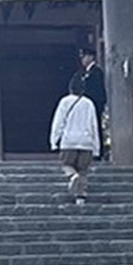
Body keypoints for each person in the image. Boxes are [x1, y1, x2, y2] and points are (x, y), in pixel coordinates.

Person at [50, 73, 100, 203]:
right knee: (84, 170)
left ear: (70, 88)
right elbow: (94, 125)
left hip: (69, 141)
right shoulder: (89, 103)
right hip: (86, 142)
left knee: (66, 164)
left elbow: (59, 122)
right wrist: (97, 148)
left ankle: (73, 176)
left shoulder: (65, 101)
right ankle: (80, 197)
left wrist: (54, 141)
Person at [74, 47, 108, 157]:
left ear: (91, 57)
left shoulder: (96, 72)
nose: (82, 60)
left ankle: (98, 151)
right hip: (85, 106)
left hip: (93, 105)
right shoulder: (83, 73)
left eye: (84, 57)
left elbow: (97, 90)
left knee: (95, 128)